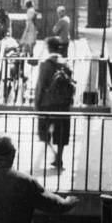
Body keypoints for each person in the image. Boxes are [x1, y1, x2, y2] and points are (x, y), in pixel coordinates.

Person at [34, 36, 73, 170]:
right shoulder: (66, 63)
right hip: (63, 104)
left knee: (44, 132)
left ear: (48, 48)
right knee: (61, 132)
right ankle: (59, 157)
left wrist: (37, 103)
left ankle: (54, 153)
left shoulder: (45, 64)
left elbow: (40, 85)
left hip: (47, 103)